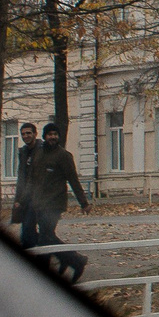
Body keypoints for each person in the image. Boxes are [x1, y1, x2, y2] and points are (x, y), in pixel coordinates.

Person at [25, 121, 91, 283]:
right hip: (39, 203)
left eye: (55, 134)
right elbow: (33, 178)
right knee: (46, 237)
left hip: (54, 204)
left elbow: (73, 180)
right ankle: (69, 259)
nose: (53, 137)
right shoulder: (38, 154)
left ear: (58, 137)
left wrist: (83, 202)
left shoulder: (64, 156)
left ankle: (76, 261)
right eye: (50, 134)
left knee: (45, 238)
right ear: (44, 136)